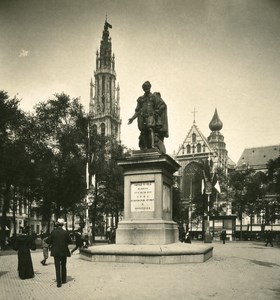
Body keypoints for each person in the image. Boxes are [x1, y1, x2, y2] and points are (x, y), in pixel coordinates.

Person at [128, 81, 169, 153]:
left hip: (151, 115)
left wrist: (157, 111)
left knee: (150, 129)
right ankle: (145, 147)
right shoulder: (141, 99)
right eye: (145, 87)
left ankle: (153, 146)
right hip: (142, 117)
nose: (147, 88)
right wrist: (132, 118)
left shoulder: (154, 97)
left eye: (148, 87)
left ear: (150, 87)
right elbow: (137, 111)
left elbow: (163, 105)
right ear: (143, 89)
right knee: (143, 131)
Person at [45, 218, 72, 288]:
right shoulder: (65, 232)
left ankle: (58, 283)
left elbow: (48, 241)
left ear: (57, 225)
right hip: (64, 251)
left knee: (57, 267)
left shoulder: (53, 232)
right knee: (63, 265)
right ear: (63, 225)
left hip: (56, 252)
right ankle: (64, 280)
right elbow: (70, 241)